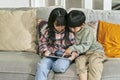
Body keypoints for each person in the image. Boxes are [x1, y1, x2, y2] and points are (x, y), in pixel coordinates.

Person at [35, 8, 77, 80]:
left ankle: (54, 65)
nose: (60, 28)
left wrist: (73, 54)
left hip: (65, 55)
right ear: (52, 22)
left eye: (63, 25)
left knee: (59, 67)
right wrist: (45, 51)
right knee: (42, 66)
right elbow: (42, 42)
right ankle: (49, 65)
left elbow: (77, 46)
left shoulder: (71, 31)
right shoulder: (46, 30)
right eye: (57, 25)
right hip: (51, 55)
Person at [63, 10, 106, 80]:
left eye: (74, 28)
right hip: (83, 53)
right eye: (70, 27)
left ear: (82, 25)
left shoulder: (88, 31)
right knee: (79, 62)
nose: (72, 29)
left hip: (95, 51)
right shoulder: (71, 31)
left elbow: (85, 46)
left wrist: (72, 48)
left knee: (94, 63)